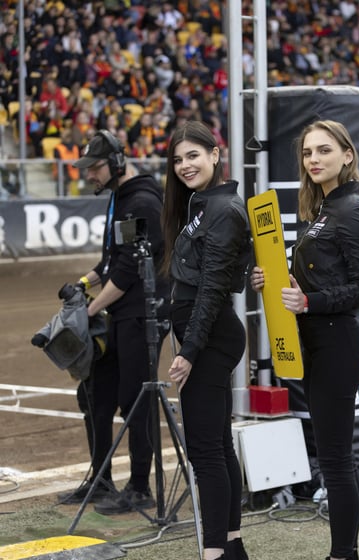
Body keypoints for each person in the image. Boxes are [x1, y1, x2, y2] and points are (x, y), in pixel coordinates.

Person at [251, 120, 359, 560]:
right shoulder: (323, 210)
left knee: (336, 460)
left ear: (347, 155)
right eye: (307, 153)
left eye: (324, 151)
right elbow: (311, 283)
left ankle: (343, 554)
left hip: (338, 344)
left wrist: (310, 303)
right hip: (314, 344)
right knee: (332, 457)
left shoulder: (352, 210)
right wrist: (271, 280)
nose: (314, 160)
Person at [59, 130, 170, 513]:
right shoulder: (121, 198)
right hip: (123, 312)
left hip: (141, 316)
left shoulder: (139, 202)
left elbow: (126, 272)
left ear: (118, 164)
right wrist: (84, 283)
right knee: (95, 391)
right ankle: (102, 479)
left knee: (134, 399)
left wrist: (88, 312)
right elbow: (111, 263)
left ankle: (141, 486)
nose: (88, 175)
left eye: (95, 168)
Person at [162, 120, 251, 560]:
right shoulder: (204, 205)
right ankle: (231, 549)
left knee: (206, 452)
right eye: (177, 160)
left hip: (211, 338)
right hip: (209, 335)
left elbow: (214, 288)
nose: (184, 165)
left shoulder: (221, 208)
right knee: (217, 445)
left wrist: (190, 352)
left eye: (193, 155)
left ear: (215, 154)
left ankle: (213, 552)